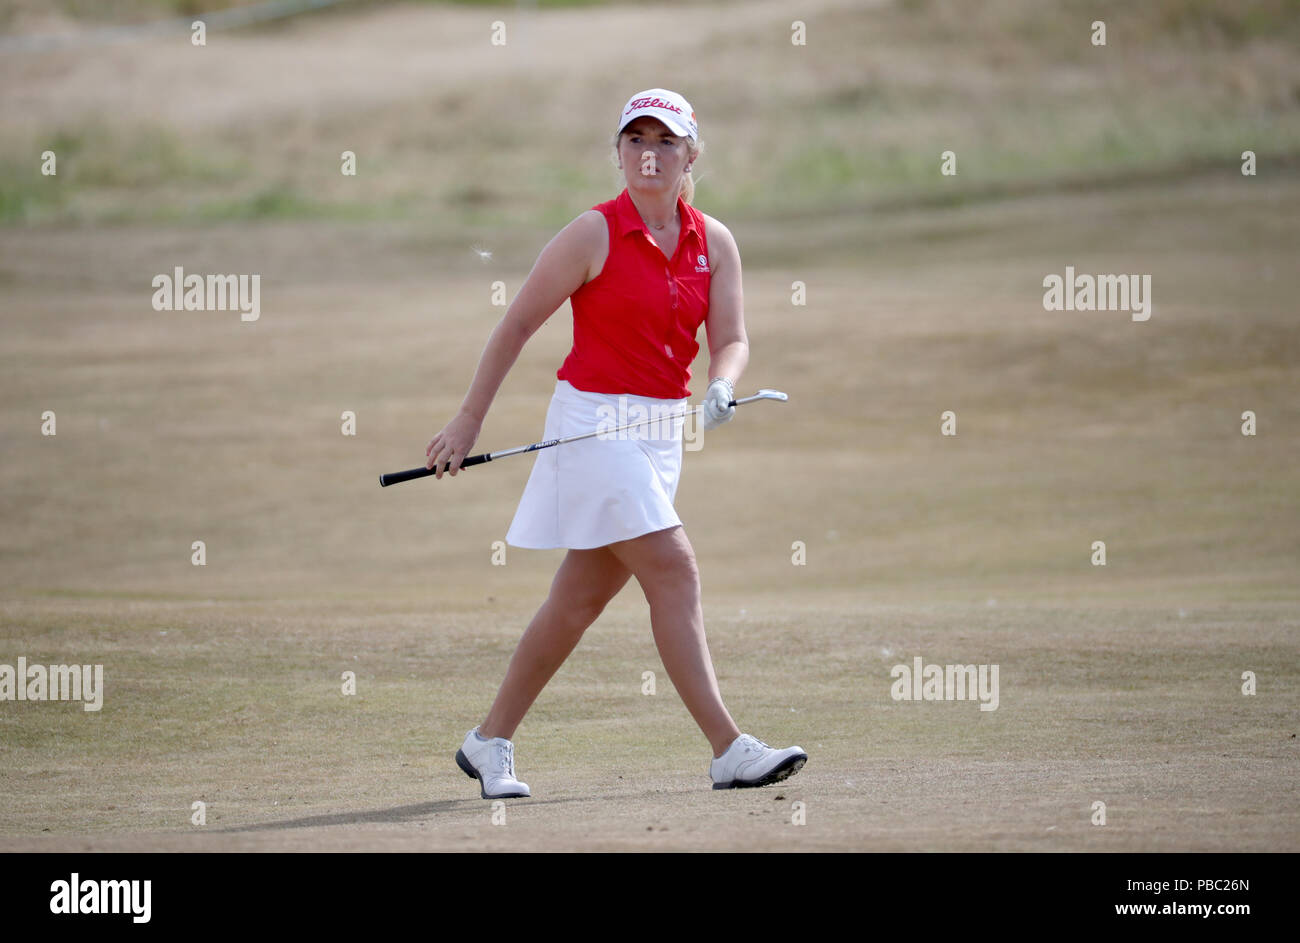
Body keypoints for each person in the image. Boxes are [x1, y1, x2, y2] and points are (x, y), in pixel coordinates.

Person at [425, 88, 806, 798]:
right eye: (635, 140)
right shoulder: (591, 234)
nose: (649, 154)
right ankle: (729, 748)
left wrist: (722, 384)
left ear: (692, 154)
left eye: (665, 141)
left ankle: (488, 740)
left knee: (578, 601)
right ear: (619, 152)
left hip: (662, 435)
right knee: (675, 570)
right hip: (592, 424)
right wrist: (467, 421)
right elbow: (515, 327)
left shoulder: (713, 241)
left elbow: (731, 339)